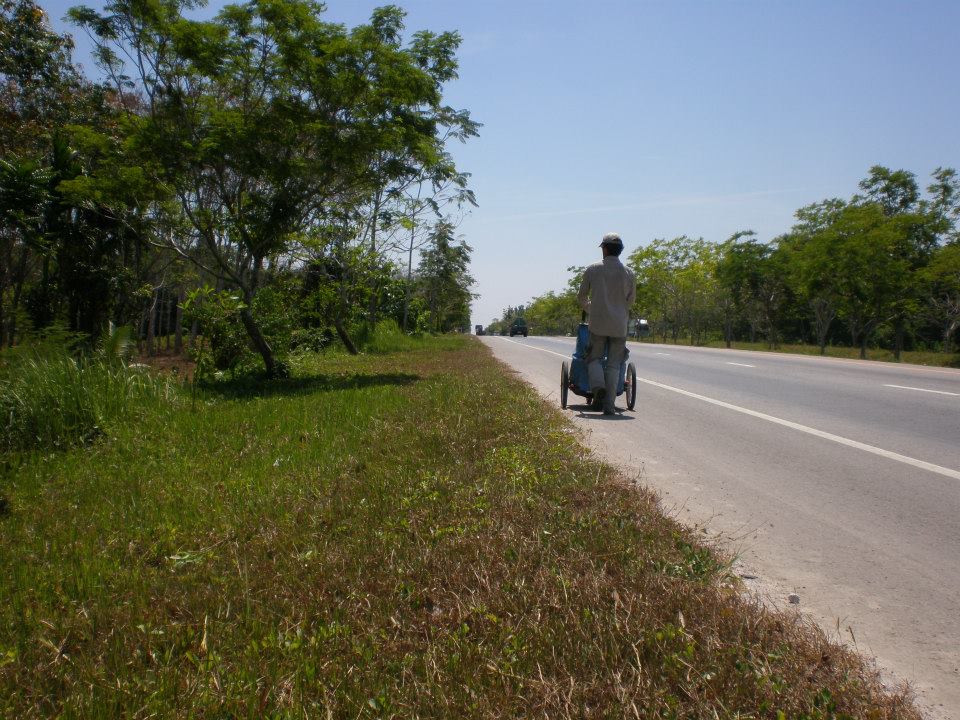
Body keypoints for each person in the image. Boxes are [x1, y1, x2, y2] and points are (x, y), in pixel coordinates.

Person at [577, 232, 636, 415]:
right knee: (614, 365)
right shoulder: (629, 273)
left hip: (598, 323)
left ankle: (598, 387)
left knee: (593, 358)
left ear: (605, 249)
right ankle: (609, 406)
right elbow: (631, 301)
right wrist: (620, 310)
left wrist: (591, 309)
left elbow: (581, 296)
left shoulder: (593, 269)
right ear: (620, 250)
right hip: (619, 325)